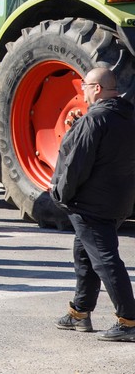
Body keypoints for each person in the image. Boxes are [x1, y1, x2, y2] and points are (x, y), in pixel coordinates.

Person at [51, 67, 135, 342]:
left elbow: (76, 165)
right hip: (117, 201)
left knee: (105, 259)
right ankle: (79, 312)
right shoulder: (126, 116)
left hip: (91, 204)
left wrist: (60, 194)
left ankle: (129, 320)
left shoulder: (95, 120)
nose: (82, 90)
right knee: (85, 255)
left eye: (84, 85)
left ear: (96, 88)